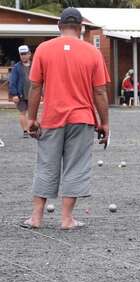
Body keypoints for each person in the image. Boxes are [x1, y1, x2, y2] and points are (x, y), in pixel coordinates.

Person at [21, 8, 110, 230]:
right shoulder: (93, 53)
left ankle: (36, 217)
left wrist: (32, 118)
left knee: (46, 165)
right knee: (76, 166)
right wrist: (104, 122)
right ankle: (67, 219)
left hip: (52, 117)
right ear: (80, 28)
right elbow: (99, 92)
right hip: (82, 118)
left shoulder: (43, 49)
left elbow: (35, 87)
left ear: (59, 26)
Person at [9, 45, 32, 138]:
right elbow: (12, 81)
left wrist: (42, 93)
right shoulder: (16, 67)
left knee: (33, 113)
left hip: (33, 94)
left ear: (29, 54)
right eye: (21, 54)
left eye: (25, 54)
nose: (23, 56)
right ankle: (25, 131)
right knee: (23, 112)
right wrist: (14, 94)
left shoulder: (35, 65)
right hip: (21, 94)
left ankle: (32, 129)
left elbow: (40, 80)